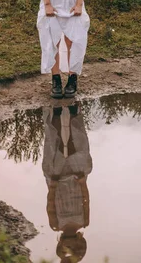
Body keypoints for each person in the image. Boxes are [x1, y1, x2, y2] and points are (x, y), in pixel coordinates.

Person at [42, 100, 92, 262]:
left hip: (58, 183)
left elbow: (50, 205)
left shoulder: (56, 225)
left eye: (65, 248)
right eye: (72, 248)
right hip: (76, 182)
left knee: (53, 147)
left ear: (61, 243)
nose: (68, 245)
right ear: (79, 243)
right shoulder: (84, 222)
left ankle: (55, 115)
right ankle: (73, 114)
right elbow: (86, 201)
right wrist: (83, 182)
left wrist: (53, 186)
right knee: (77, 147)